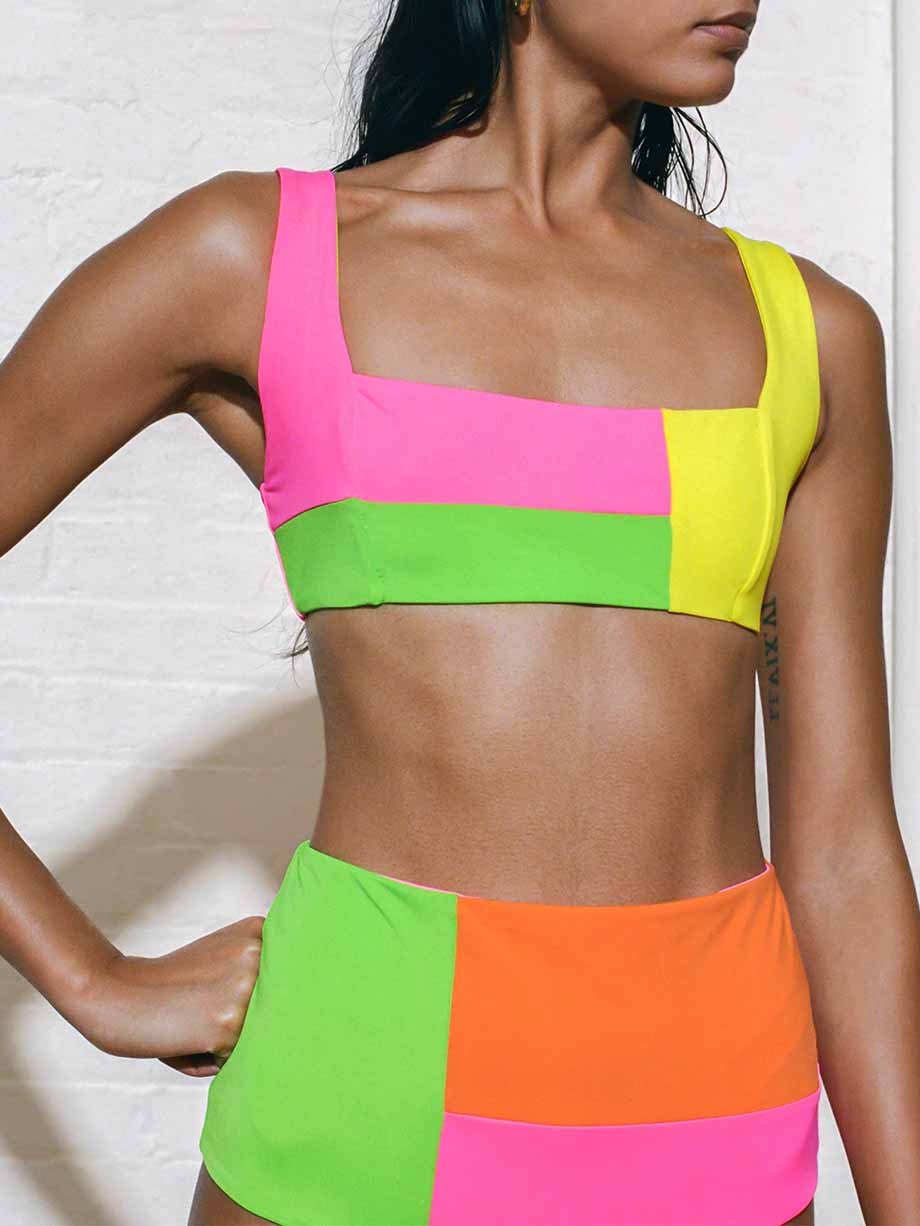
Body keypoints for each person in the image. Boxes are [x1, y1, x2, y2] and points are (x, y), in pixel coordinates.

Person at [2, 1, 918, 1223]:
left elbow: (842, 848)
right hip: (367, 1079)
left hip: (711, 1095)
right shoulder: (252, 258)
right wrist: (92, 977)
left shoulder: (809, 333)